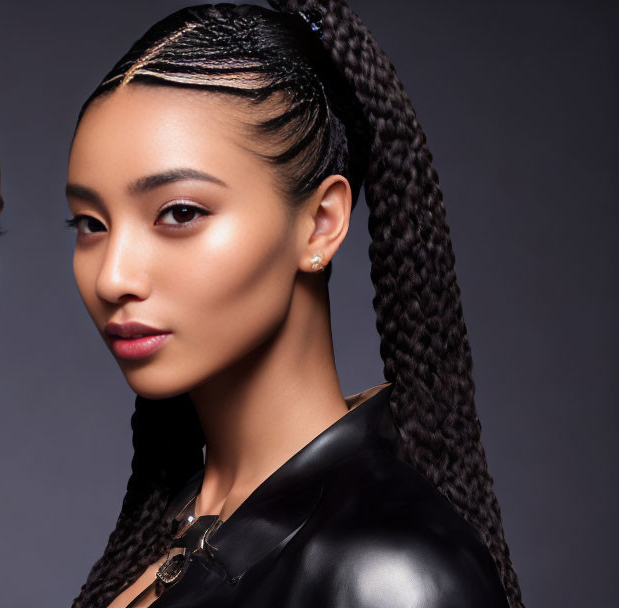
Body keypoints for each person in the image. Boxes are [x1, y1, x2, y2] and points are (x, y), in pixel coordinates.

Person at [65, 1, 522, 607]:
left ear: (320, 224)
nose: (112, 276)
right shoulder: (179, 527)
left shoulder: (388, 574)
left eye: (179, 213)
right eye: (91, 223)